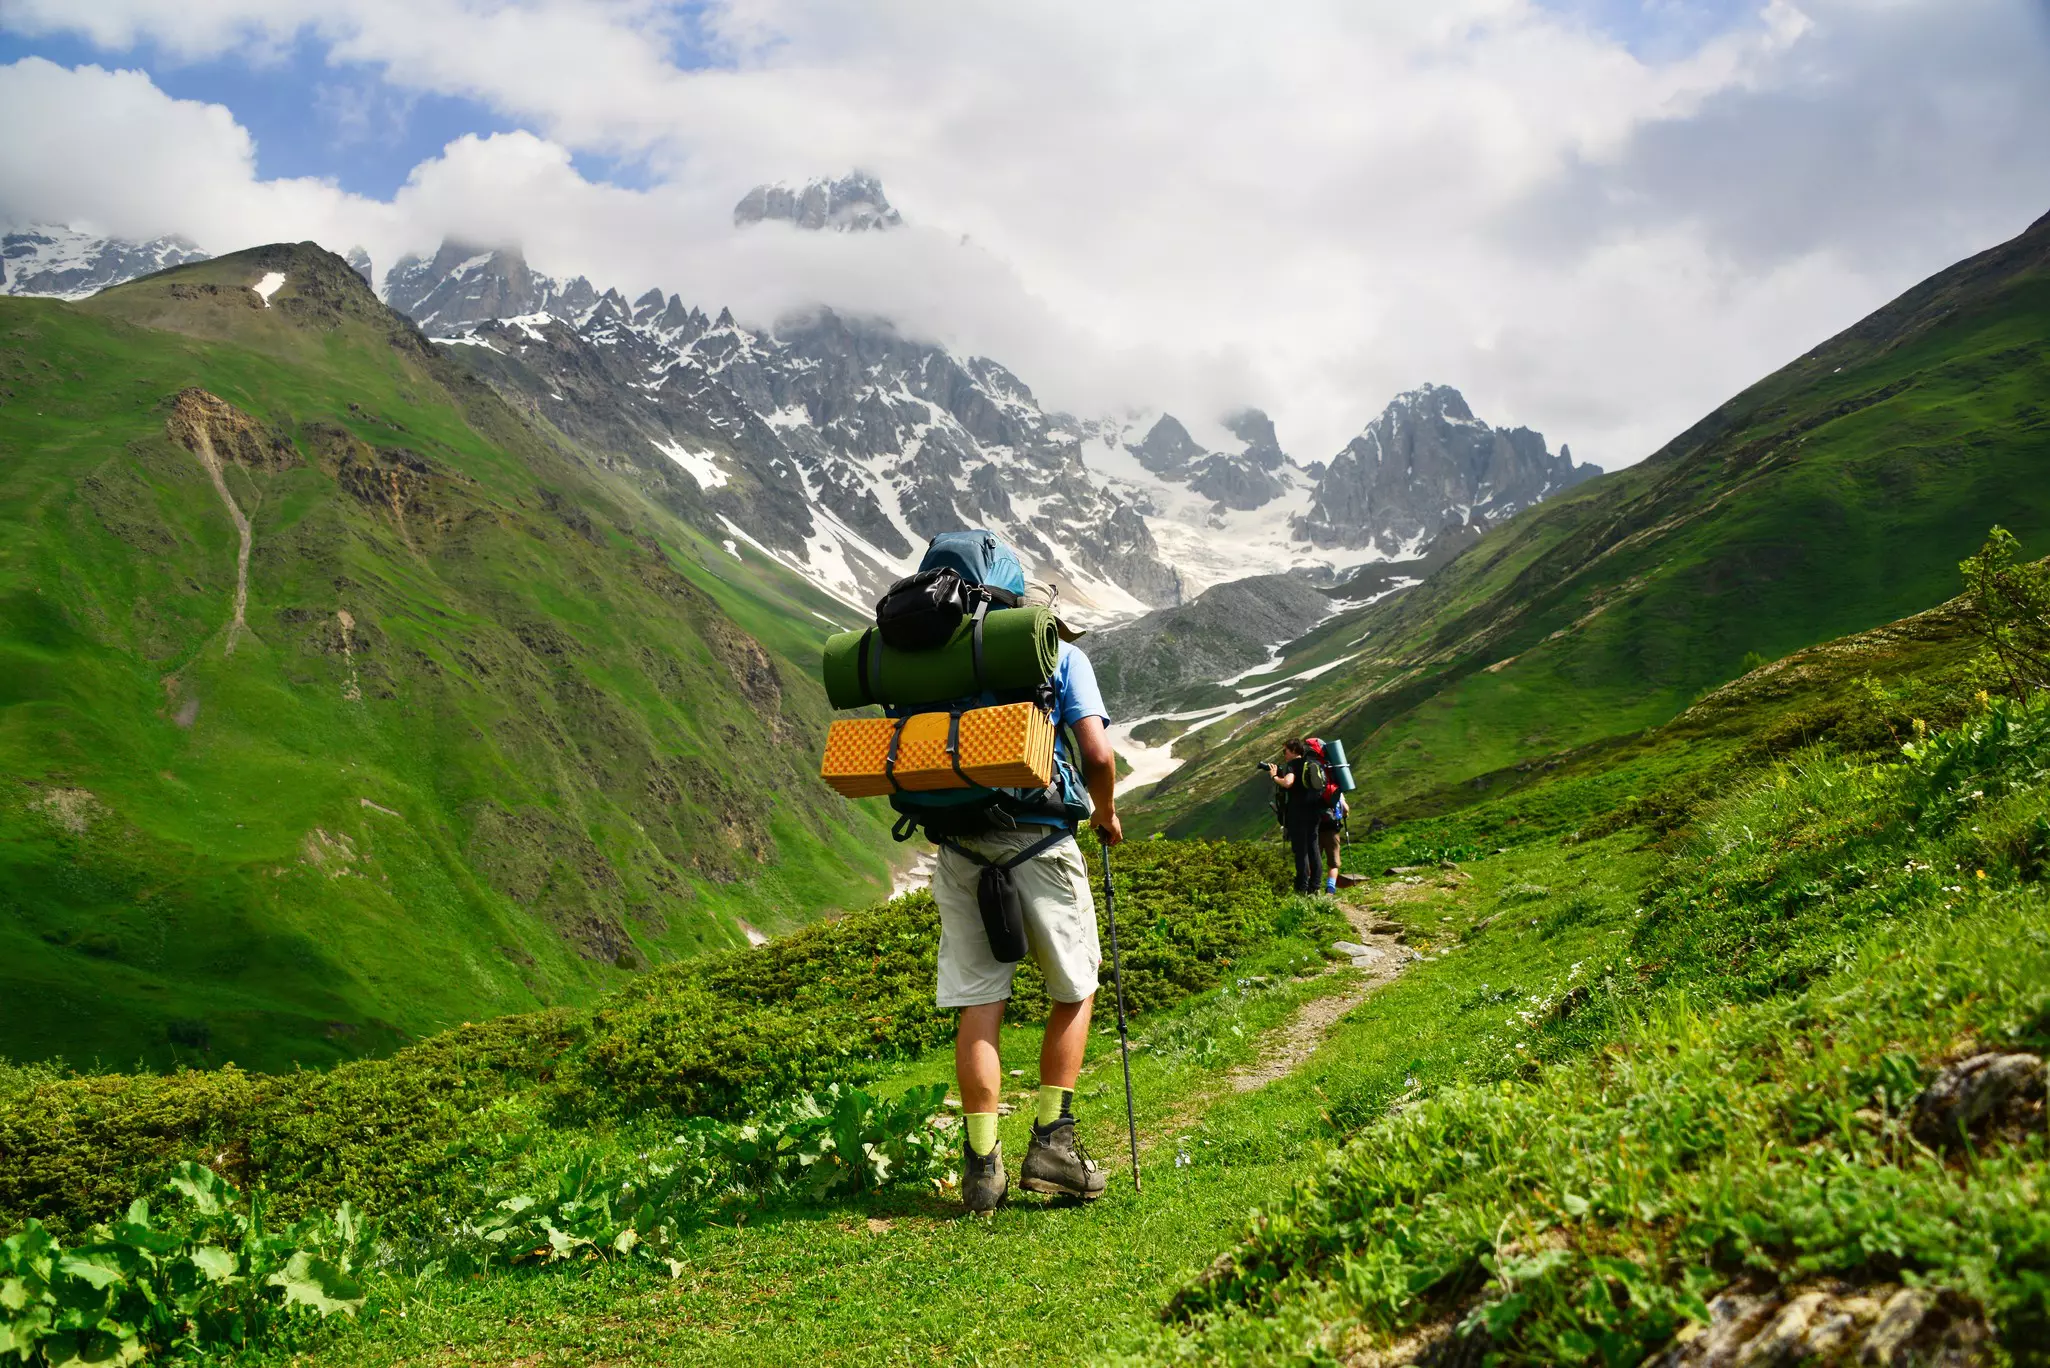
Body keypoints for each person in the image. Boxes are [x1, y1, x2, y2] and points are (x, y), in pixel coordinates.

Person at [936, 583, 1121, 1213]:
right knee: (1075, 985)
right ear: (1040, 619)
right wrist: (1106, 813)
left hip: (958, 844)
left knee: (980, 999)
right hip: (1038, 839)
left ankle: (982, 1168)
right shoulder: (1057, 656)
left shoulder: (943, 660)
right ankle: (1052, 1145)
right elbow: (1096, 751)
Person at [1263, 738, 1324, 895]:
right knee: (1313, 847)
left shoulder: (1292, 765)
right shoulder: (1310, 763)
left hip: (1298, 813)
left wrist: (1274, 777)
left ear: (1294, 751)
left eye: (1285, 751)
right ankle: (1315, 886)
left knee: (1300, 850)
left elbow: (1288, 783)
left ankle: (1301, 887)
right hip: (1314, 811)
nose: (1284, 754)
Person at [1319, 791, 1347, 894]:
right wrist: (1345, 814)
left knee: (1313, 861)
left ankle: (1313, 888)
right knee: (1333, 862)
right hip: (1331, 829)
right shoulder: (1334, 789)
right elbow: (1345, 808)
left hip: (1314, 830)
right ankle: (1330, 889)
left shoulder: (1312, 788)